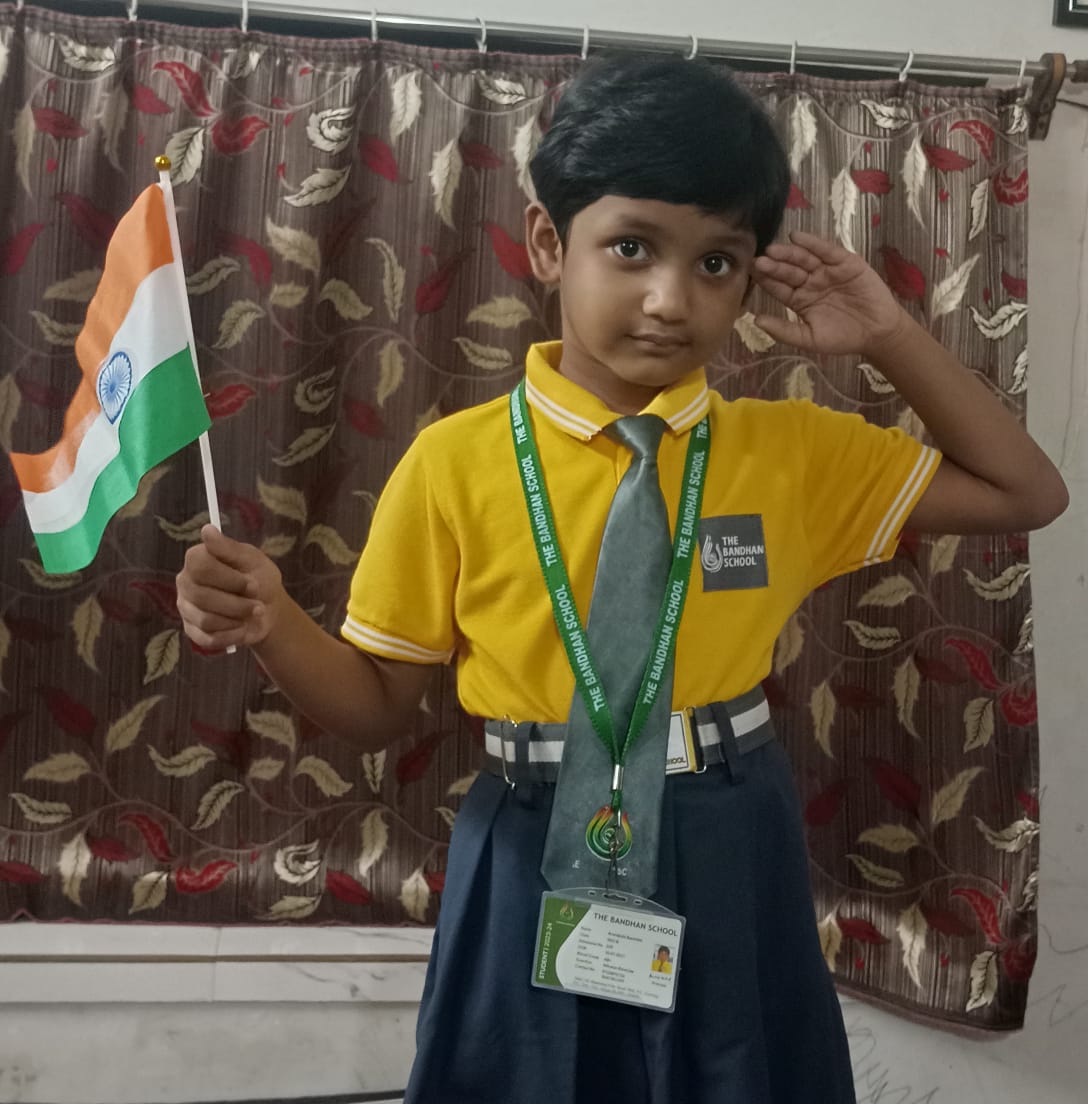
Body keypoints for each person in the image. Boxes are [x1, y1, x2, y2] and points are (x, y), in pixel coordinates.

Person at [176, 55, 1067, 1104]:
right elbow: (374, 708)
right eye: (631, 247)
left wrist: (887, 335)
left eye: (717, 263)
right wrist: (273, 622)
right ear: (549, 243)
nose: (668, 299)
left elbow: (1025, 490)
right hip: (532, 836)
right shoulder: (452, 465)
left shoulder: (790, 454)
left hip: (728, 828)